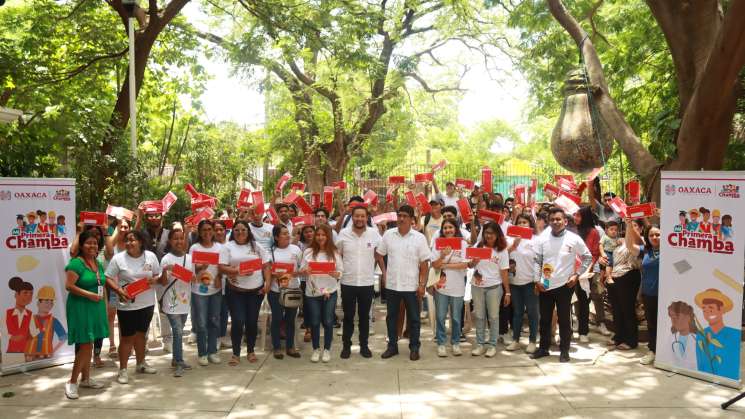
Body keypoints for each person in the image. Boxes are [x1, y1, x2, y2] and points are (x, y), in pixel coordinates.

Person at [531, 208, 592, 363]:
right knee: (544, 320)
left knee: (564, 320)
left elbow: (587, 257)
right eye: (552, 219)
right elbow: (538, 260)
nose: (555, 222)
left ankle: (564, 350)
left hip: (565, 285)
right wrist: (536, 280)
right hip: (545, 285)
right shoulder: (542, 239)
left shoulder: (574, 238)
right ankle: (543, 348)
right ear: (549, 221)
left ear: (565, 221)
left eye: (559, 219)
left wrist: (577, 275)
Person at [105, 230, 162, 384]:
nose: (129, 243)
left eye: (133, 240)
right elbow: (108, 277)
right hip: (127, 306)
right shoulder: (118, 259)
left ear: (141, 242)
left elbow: (158, 274)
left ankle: (141, 364)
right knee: (127, 338)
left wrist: (154, 280)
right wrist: (118, 290)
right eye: (127, 240)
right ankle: (122, 370)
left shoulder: (150, 256)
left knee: (141, 335)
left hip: (147, 303)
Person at [376, 205, 430, 361]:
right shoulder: (388, 235)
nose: (401, 218)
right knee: (391, 317)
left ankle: (414, 348)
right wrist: (384, 274)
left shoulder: (419, 238)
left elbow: (424, 263)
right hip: (393, 285)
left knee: (414, 319)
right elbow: (379, 255)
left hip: (412, 286)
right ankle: (392, 346)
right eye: (399, 215)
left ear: (412, 219)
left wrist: (422, 284)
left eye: (405, 216)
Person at [63, 230, 112, 399]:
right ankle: (71, 382)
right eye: (88, 243)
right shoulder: (76, 263)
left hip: (95, 308)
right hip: (80, 307)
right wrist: (89, 295)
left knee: (89, 344)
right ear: (81, 245)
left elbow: (102, 283)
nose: (93, 245)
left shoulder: (97, 263)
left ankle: (86, 379)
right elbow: (69, 286)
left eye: (95, 243)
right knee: (85, 346)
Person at [219, 220, 271, 365]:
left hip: (256, 291)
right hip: (235, 291)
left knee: (251, 321)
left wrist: (267, 283)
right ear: (232, 232)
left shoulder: (256, 246)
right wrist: (236, 271)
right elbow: (221, 267)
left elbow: (266, 265)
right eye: (237, 230)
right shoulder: (227, 247)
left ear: (248, 232)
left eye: (243, 230)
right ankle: (235, 353)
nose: (240, 233)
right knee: (238, 320)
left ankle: (250, 351)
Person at [336, 205, 383, 359]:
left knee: (364, 317)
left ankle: (364, 346)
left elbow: (379, 254)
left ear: (367, 218)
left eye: (363, 216)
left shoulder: (374, 234)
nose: (360, 219)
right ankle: (346, 346)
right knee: (348, 316)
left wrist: (382, 271)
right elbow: (337, 254)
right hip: (348, 281)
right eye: (357, 216)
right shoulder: (343, 234)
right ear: (352, 217)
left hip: (366, 282)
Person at [467, 222, 511, 357]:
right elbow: (469, 265)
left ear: (497, 234)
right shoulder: (478, 246)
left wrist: (507, 292)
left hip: (494, 287)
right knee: (479, 316)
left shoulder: (502, 250)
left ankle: (492, 345)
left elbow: (504, 272)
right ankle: (480, 344)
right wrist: (474, 261)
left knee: (493, 317)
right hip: (477, 287)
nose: (489, 235)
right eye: (486, 232)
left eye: (492, 233)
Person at [301, 224, 343, 362]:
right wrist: (305, 271)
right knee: (314, 321)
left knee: (328, 320)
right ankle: (316, 349)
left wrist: (336, 273)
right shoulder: (308, 252)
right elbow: (302, 270)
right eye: (318, 235)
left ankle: (327, 349)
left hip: (329, 292)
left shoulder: (334, 253)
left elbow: (341, 273)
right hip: (312, 292)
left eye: (323, 235)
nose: (320, 237)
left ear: (328, 236)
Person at [157, 227, 194, 377]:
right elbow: (163, 282)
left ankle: (175, 359)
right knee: (178, 332)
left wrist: (180, 270)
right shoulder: (166, 259)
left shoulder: (190, 258)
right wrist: (166, 270)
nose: (179, 241)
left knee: (180, 329)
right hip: (170, 302)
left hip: (185, 300)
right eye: (175, 239)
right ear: (170, 241)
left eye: (181, 238)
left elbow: (194, 279)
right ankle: (179, 361)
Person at [430, 219, 468, 357]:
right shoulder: (438, 244)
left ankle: (456, 343)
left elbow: (464, 265)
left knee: (457, 317)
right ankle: (441, 343)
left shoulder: (462, 244)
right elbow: (434, 265)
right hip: (441, 286)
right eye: (445, 228)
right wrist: (443, 255)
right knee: (440, 316)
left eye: (450, 227)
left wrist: (445, 265)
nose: (448, 230)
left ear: (455, 228)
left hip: (458, 287)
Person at [188, 220, 223, 366]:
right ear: (199, 232)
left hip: (215, 290)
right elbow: (191, 271)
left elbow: (223, 266)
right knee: (201, 324)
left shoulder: (220, 248)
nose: (207, 232)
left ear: (213, 231)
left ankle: (212, 351)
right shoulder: (194, 248)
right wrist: (200, 267)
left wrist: (219, 278)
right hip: (199, 291)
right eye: (204, 230)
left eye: (210, 229)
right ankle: (202, 353)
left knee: (214, 321)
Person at [625, 222, 660, 365]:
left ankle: (666, 353)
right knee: (652, 324)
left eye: (658, 234)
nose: (654, 237)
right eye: (651, 235)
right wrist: (628, 226)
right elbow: (629, 246)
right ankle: (652, 351)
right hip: (649, 294)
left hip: (667, 294)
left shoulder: (672, 251)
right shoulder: (646, 251)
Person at [267, 224, 303, 359]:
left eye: (287, 233)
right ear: (276, 237)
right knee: (276, 318)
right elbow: (267, 271)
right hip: (275, 290)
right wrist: (273, 275)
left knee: (290, 319)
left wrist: (293, 273)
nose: (287, 235)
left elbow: (302, 267)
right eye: (283, 234)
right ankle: (276, 347)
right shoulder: (270, 252)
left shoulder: (296, 249)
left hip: (292, 289)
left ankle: (290, 347)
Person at [607, 219, 643, 350]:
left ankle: (631, 340)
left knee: (627, 309)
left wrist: (629, 227)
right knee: (617, 310)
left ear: (640, 229)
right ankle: (619, 337)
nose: (631, 228)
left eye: (635, 226)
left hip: (629, 276)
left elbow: (632, 243)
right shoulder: (620, 242)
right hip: (615, 278)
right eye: (630, 226)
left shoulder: (641, 241)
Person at [506, 215, 539, 353]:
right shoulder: (509, 238)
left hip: (530, 282)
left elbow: (540, 261)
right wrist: (514, 245)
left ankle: (532, 341)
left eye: (524, 222)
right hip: (514, 282)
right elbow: (502, 256)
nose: (521, 224)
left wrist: (538, 280)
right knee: (517, 312)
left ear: (530, 224)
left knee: (532, 312)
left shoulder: (536, 240)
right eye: (519, 222)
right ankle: (516, 340)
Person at [694, 288, 740, 380]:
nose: (707, 313)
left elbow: (733, 365)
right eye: (704, 309)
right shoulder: (701, 334)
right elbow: (700, 364)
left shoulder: (735, 335)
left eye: (711, 308)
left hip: (728, 384)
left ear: (721, 309)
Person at [571, 206, 600, 343]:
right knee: (567, 302)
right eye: (574, 215)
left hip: (585, 272)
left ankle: (584, 331)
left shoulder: (593, 232)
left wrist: (587, 269)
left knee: (583, 302)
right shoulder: (571, 230)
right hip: (569, 270)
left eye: (578, 215)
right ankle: (568, 330)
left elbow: (594, 253)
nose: (575, 218)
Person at [25, 286, 67, 360]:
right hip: (30, 357)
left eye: (51, 302)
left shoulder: (54, 321)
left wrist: (52, 351)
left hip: (46, 357)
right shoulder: (30, 319)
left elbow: (63, 338)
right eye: (46, 301)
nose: (49, 305)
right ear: (38, 303)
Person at [213, 219, 232, 350]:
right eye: (216, 229)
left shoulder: (231, 245)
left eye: (221, 229)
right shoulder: (210, 246)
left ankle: (222, 335)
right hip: (212, 283)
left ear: (226, 231)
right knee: (215, 312)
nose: (219, 232)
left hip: (229, 283)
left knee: (224, 311)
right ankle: (214, 337)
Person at [665, 301, 697, 370]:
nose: (674, 321)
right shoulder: (672, 338)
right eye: (672, 317)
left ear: (688, 317)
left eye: (677, 317)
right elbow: (667, 358)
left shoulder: (697, 339)